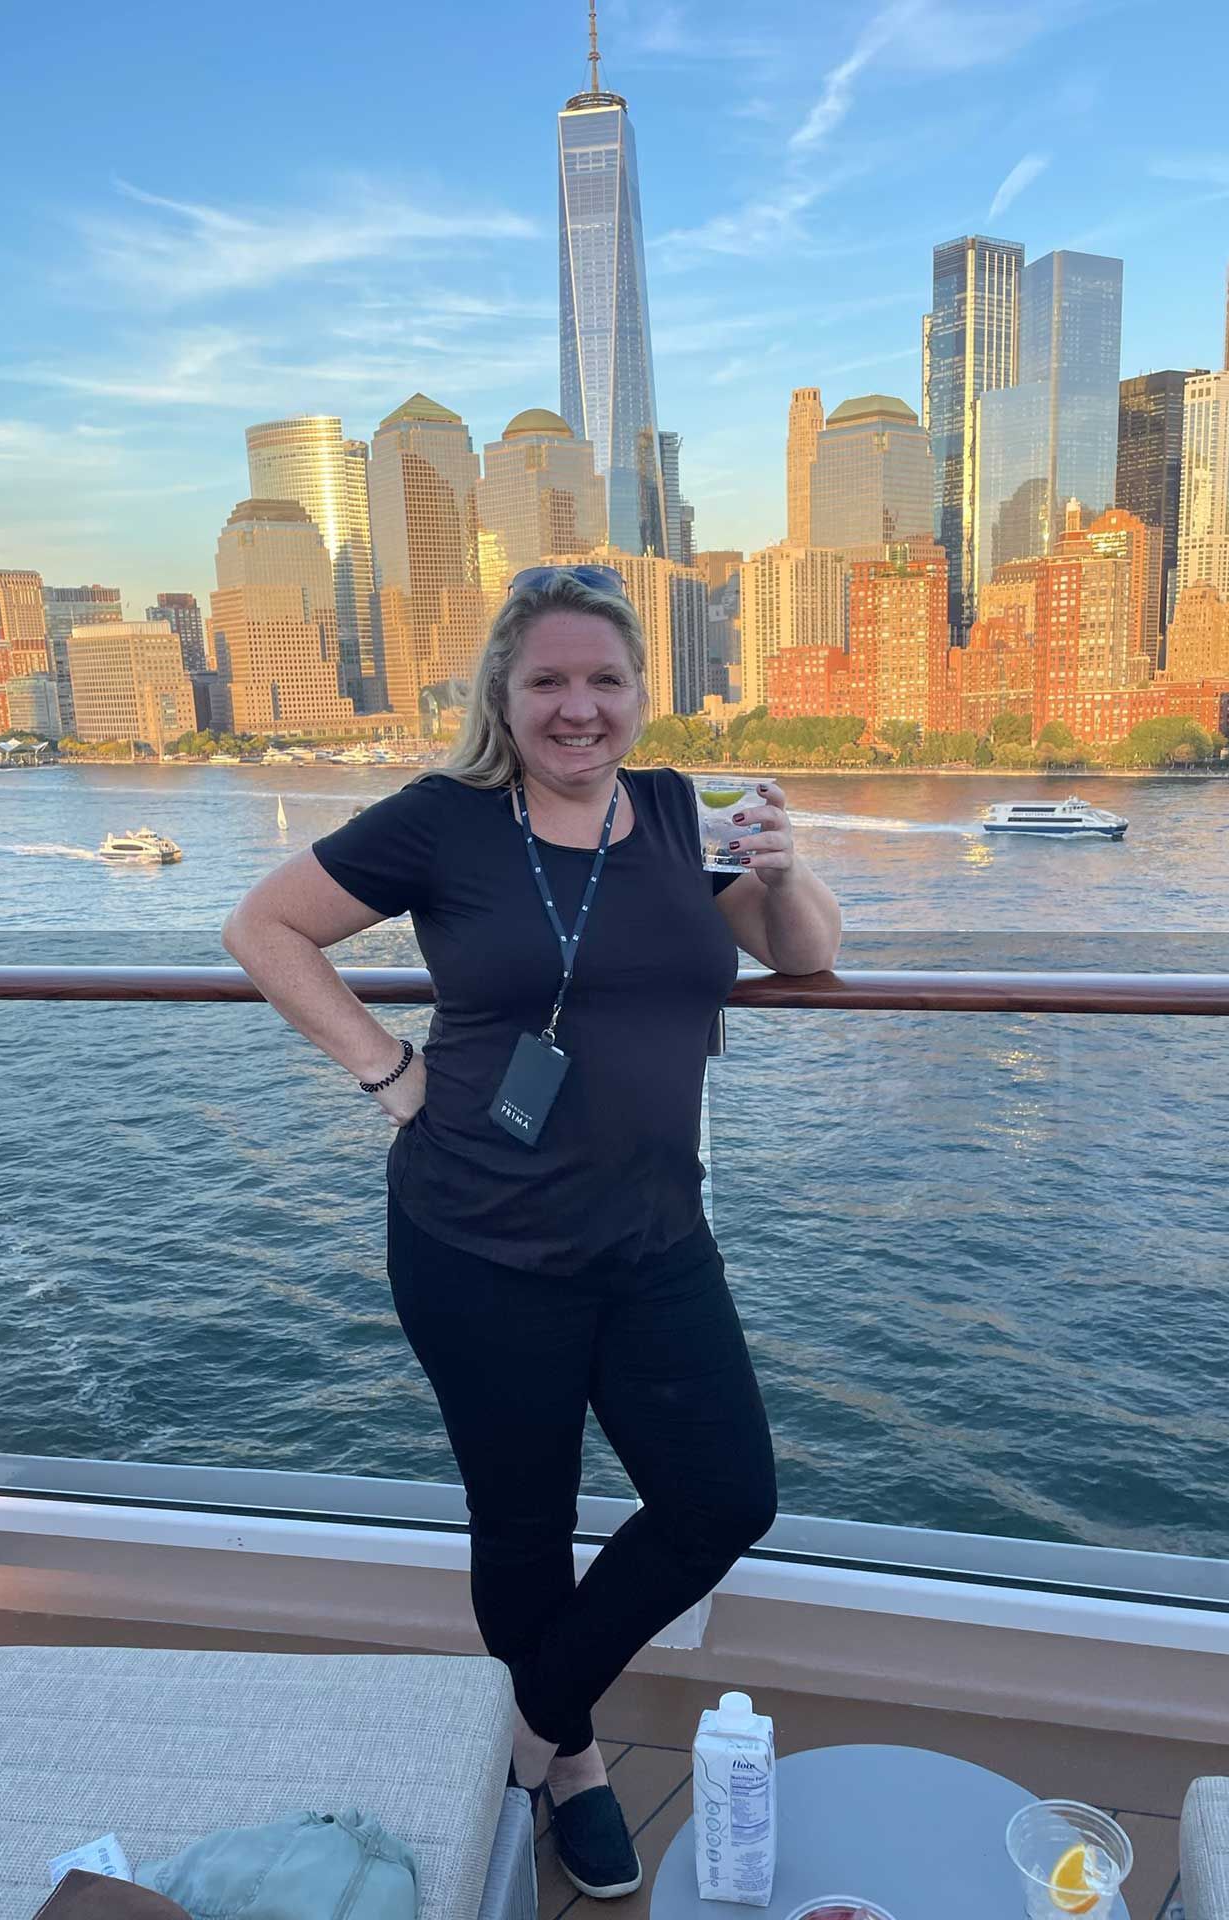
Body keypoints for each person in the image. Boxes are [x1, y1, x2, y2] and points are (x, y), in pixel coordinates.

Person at [220, 565, 842, 1900]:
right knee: (523, 1526)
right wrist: (390, 1076)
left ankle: (525, 1725)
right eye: (549, 680)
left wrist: (786, 870)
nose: (579, 708)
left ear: (638, 691)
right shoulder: (443, 822)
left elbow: (798, 954)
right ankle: (573, 1767)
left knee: (725, 1497)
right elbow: (265, 925)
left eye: (604, 680)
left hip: (657, 1239)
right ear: (503, 692)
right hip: (477, 1244)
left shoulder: (676, 812)